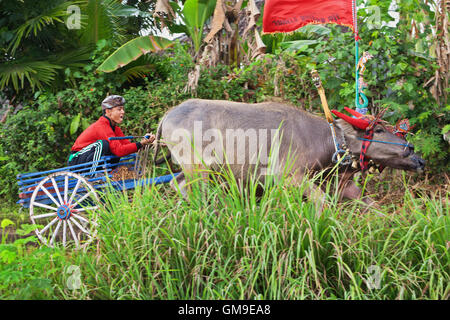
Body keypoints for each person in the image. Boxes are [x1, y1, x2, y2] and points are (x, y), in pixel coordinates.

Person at [68, 95, 155, 173]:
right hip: (76, 160)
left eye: (123, 109)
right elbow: (119, 150)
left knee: (114, 147)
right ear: (108, 111)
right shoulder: (101, 126)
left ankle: (109, 172)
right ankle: (91, 175)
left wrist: (144, 142)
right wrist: (140, 144)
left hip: (88, 158)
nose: (123, 112)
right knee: (104, 144)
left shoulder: (115, 129)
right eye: (119, 109)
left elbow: (127, 146)